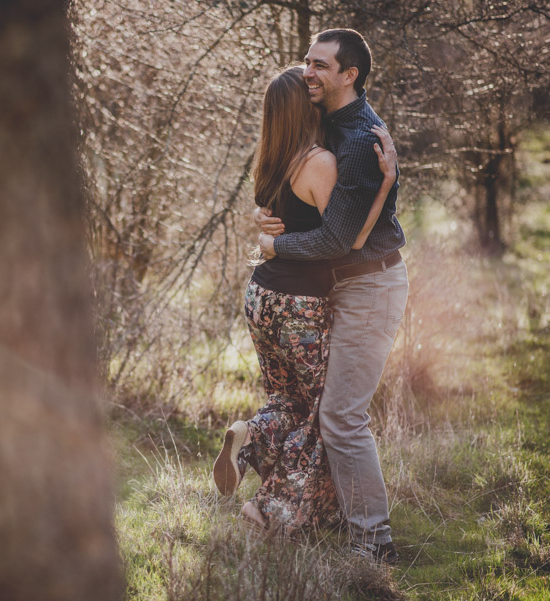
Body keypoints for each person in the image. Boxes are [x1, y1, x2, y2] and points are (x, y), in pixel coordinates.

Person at [213, 64, 397, 539]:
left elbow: (282, 219)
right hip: (298, 304)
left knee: (290, 402)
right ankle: (269, 501)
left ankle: (253, 440)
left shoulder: (272, 157)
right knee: (318, 414)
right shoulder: (320, 162)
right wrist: (386, 183)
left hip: (262, 296)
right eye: (311, 93)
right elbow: (348, 239)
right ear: (304, 108)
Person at [255, 29, 408, 564]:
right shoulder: (329, 124)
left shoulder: (362, 139)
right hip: (338, 287)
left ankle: (375, 543)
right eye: (307, 62)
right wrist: (268, 212)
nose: (309, 73)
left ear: (351, 75)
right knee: (323, 413)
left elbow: (337, 241)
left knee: (342, 417)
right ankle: (322, 517)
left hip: (370, 285)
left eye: (321, 65)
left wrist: (274, 245)